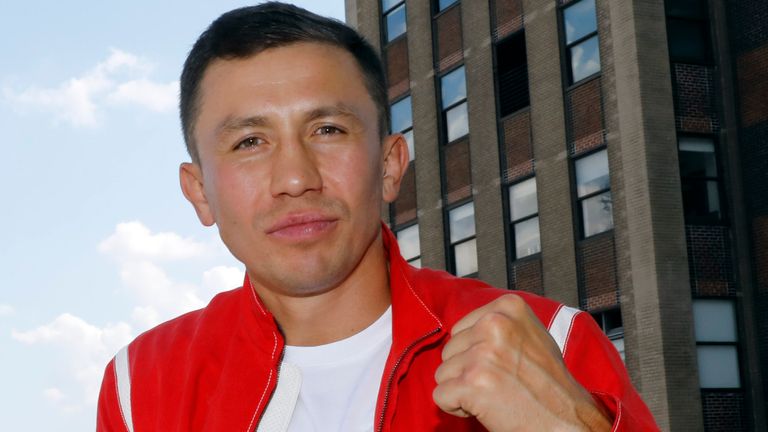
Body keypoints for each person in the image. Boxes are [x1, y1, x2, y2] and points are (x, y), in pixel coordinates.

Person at [97, 2, 658, 431]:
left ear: (390, 166)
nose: (295, 178)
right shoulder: (141, 384)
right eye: (249, 141)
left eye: (328, 130)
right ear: (199, 193)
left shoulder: (554, 342)